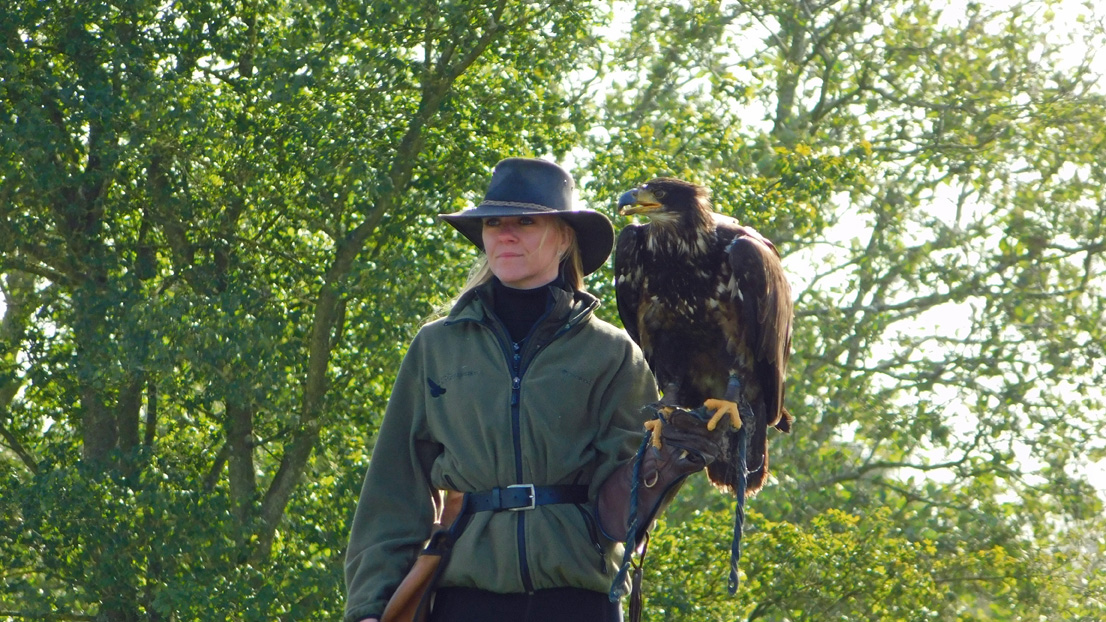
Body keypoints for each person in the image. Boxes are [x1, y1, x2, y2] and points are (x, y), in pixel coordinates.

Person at [343, 157, 662, 622]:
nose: (505, 234)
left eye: (526, 222)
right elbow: (394, 485)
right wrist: (370, 605)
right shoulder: (437, 347)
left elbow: (630, 498)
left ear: (564, 238)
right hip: (465, 597)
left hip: (579, 599)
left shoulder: (612, 353)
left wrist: (670, 455)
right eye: (494, 223)